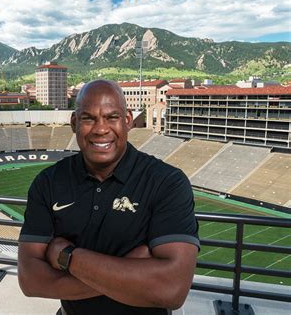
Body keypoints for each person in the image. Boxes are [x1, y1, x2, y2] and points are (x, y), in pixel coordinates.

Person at [18, 80, 199, 314]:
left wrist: (66, 257)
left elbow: (172, 290)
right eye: (88, 118)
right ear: (74, 123)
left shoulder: (167, 182)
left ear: (127, 121)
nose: (100, 129)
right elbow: (30, 280)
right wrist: (130, 273)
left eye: (112, 117)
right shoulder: (48, 182)